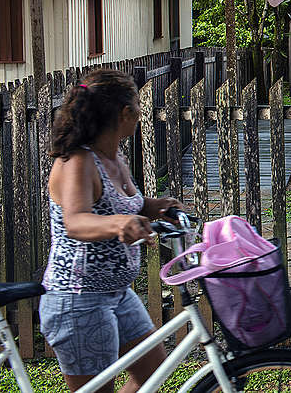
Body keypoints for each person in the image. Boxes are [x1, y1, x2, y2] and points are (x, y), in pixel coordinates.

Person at [40, 69, 184, 393]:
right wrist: (119, 224)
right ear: (125, 113)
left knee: (154, 371)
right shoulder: (78, 161)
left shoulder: (114, 157)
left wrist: (153, 205)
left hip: (117, 293)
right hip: (78, 299)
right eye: (138, 107)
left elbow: (120, 204)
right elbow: (75, 221)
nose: (141, 114)